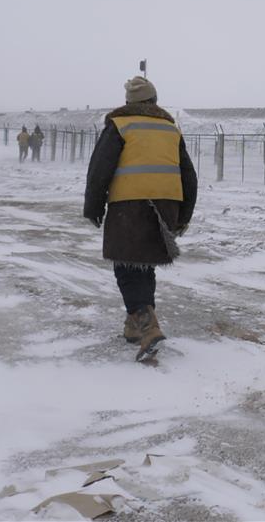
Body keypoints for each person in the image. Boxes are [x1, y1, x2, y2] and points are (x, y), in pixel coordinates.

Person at [83, 76, 197, 362]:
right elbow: (189, 176)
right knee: (144, 266)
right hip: (166, 204)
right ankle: (134, 326)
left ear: (129, 102)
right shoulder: (171, 129)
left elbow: (99, 169)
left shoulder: (120, 125)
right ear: (154, 101)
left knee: (126, 266)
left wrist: (93, 207)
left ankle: (147, 325)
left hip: (129, 205)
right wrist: (184, 214)